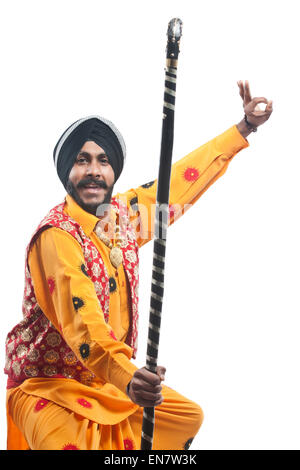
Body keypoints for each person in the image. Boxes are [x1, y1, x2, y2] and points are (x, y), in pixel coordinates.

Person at [4, 81, 273, 450]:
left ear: (115, 170)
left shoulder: (126, 217)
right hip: (49, 387)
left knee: (186, 417)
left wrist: (244, 128)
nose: (94, 170)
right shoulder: (57, 237)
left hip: (108, 384)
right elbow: (85, 326)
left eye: (104, 160)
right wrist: (130, 377)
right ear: (67, 171)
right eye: (82, 160)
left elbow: (179, 185)